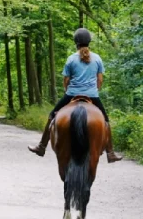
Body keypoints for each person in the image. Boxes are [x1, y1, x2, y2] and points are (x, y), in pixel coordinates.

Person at [29, 28, 122, 163]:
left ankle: (41, 147)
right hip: (92, 95)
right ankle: (110, 153)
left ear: (76, 43)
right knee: (106, 121)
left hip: (72, 93)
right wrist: (94, 90)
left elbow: (66, 80)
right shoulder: (97, 58)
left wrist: (67, 90)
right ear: (89, 42)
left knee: (52, 116)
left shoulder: (71, 59)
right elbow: (100, 79)